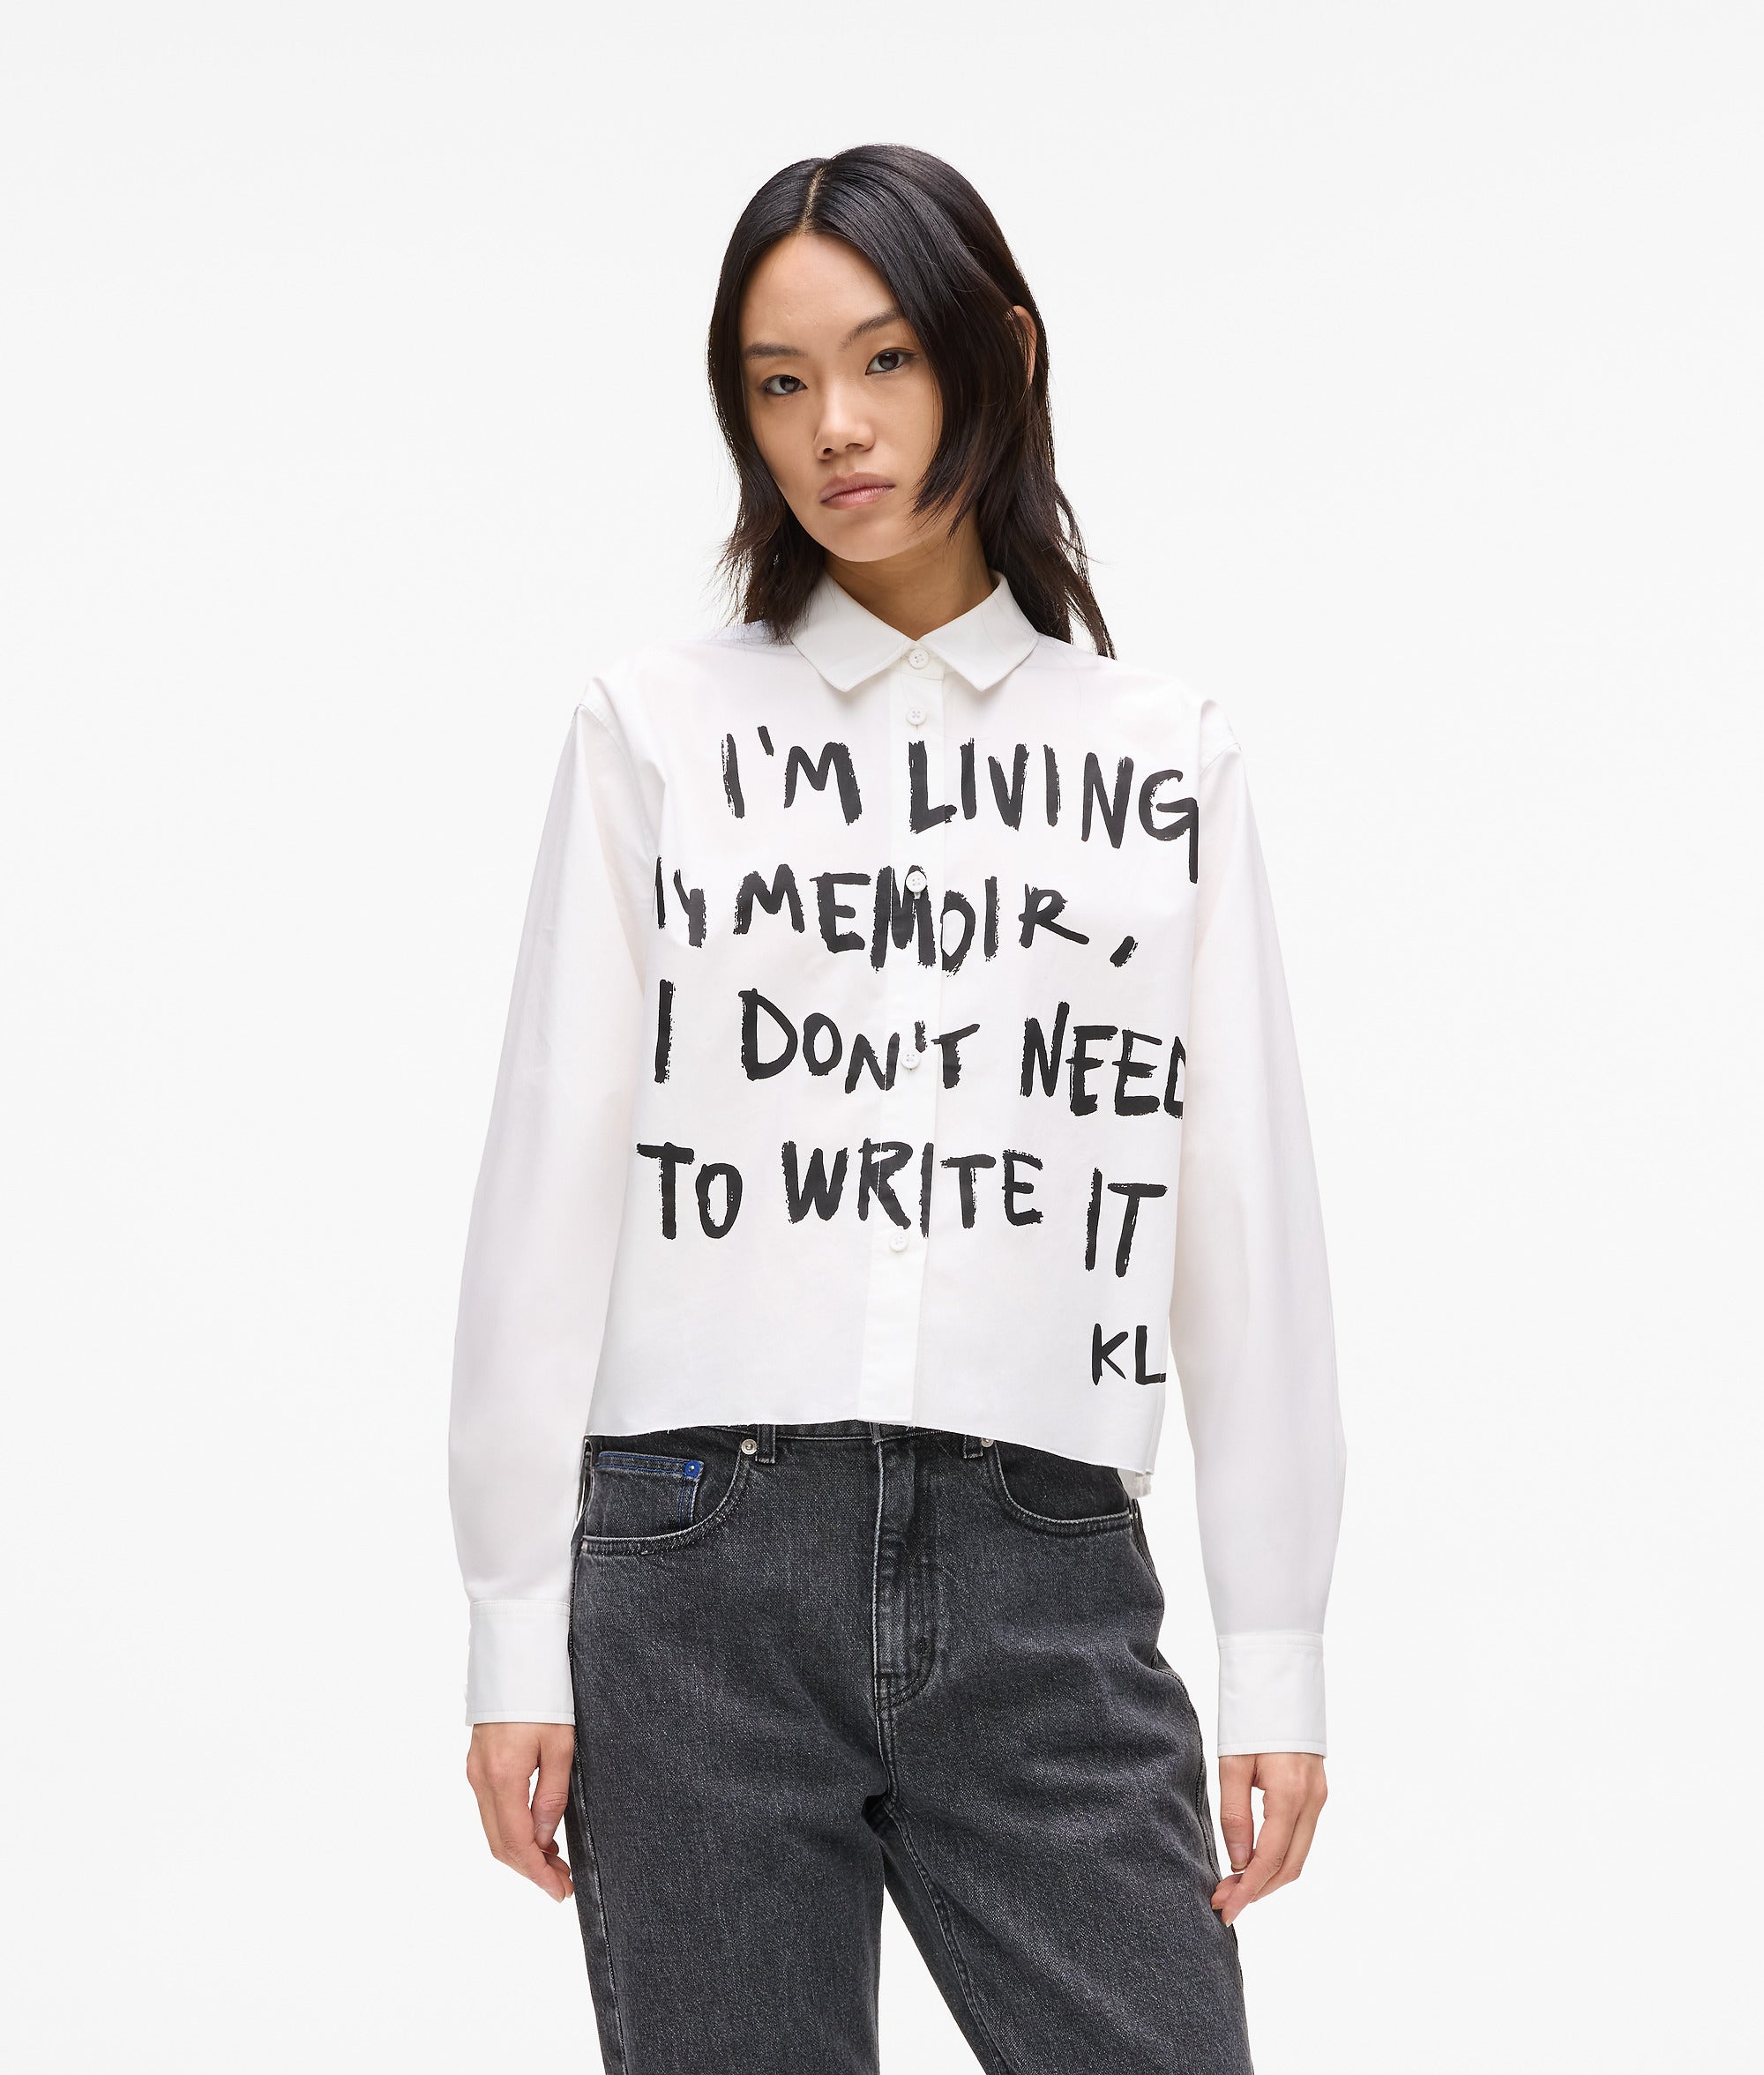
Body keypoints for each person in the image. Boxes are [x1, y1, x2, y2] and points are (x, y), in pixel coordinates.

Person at [448, 143, 1346, 2075]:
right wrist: (512, 1618)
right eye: (777, 383)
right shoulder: (656, 730)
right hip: (696, 1557)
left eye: (881, 362)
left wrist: (1275, 1646)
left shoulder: (1158, 758)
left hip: (1045, 1553)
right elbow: (551, 1178)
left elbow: (1240, 1213)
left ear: (992, 355)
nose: (832, 429)